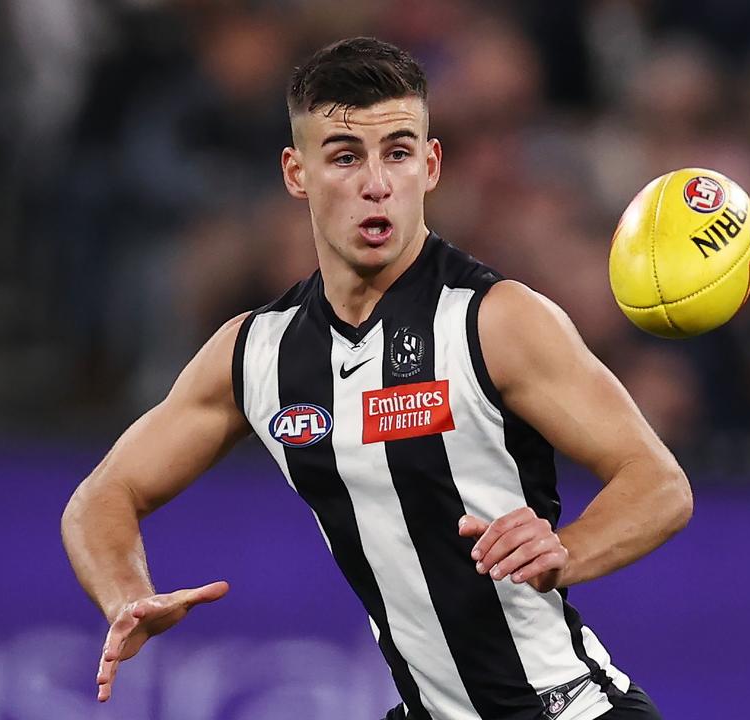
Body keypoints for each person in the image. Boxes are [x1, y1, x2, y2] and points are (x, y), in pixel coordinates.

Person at [61, 37, 692, 720]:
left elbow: (659, 484)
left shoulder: (496, 320)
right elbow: (102, 498)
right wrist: (126, 593)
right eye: (344, 157)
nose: (376, 183)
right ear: (296, 172)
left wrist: (566, 550)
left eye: (397, 152)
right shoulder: (256, 353)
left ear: (431, 163)